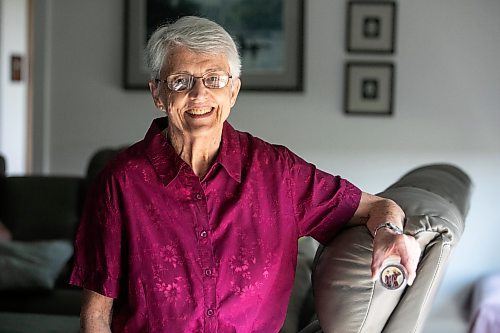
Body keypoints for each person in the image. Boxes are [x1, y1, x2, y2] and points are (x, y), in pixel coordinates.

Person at [70, 16, 421, 333]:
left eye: (214, 79)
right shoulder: (121, 182)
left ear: (233, 91)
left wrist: (390, 232)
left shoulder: (279, 172)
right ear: (158, 94)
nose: (199, 94)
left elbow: (378, 207)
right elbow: (96, 315)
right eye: (181, 81)